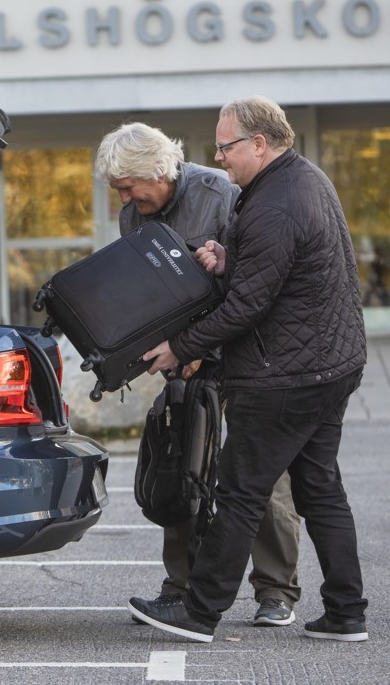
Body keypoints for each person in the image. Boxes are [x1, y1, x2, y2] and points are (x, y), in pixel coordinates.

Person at [127, 97, 369, 643]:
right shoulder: (302, 180)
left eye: (226, 145)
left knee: (239, 492)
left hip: (285, 375)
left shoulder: (274, 203)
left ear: (260, 143)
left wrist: (178, 346)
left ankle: (199, 611)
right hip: (331, 364)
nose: (219, 156)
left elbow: (245, 309)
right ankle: (346, 612)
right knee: (320, 487)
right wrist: (227, 260)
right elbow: (280, 271)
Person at [97, 122, 302, 628]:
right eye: (118, 190)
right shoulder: (134, 215)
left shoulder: (222, 193)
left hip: (247, 354)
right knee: (182, 468)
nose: (124, 199)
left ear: (161, 170)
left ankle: (276, 591)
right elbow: (152, 294)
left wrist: (198, 342)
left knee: (261, 474)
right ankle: (182, 587)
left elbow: (250, 285)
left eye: (130, 187)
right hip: (186, 360)